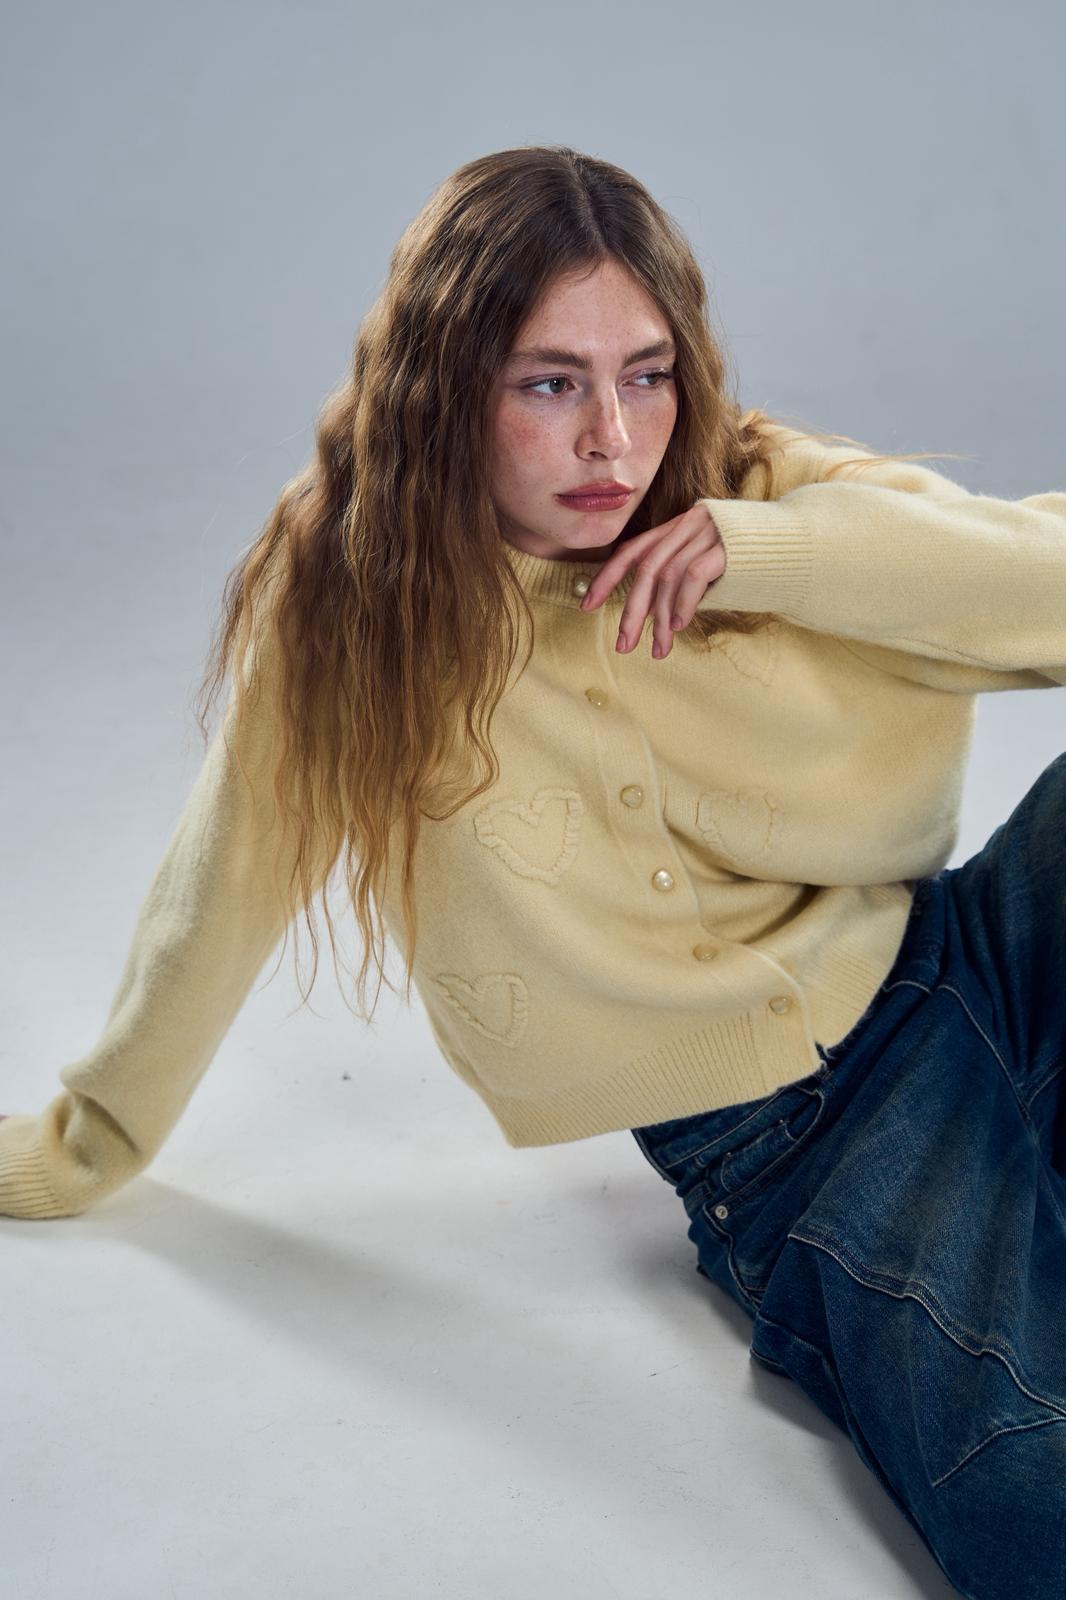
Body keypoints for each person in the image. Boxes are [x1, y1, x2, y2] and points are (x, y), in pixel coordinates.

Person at [3, 143, 1065, 1599]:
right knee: (1035, 1507)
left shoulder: (750, 488)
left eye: (646, 375)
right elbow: (221, 887)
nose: (613, 440)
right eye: (550, 383)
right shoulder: (358, 608)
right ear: (446, 389)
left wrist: (769, 552)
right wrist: (84, 1144)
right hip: (799, 1142)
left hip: (977, 950)